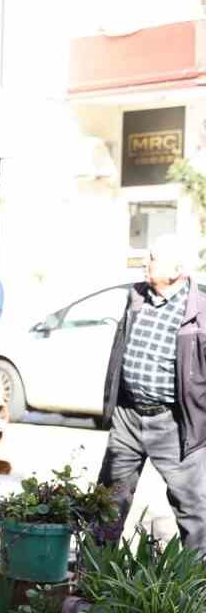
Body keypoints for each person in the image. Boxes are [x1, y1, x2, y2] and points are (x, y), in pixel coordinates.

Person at [98, 235, 206, 553]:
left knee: (193, 509)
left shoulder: (200, 310)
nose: (146, 263)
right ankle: (93, 581)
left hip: (173, 423)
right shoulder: (136, 296)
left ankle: (197, 590)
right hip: (128, 417)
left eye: (154, 258)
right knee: (107, 502)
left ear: (178, 268)